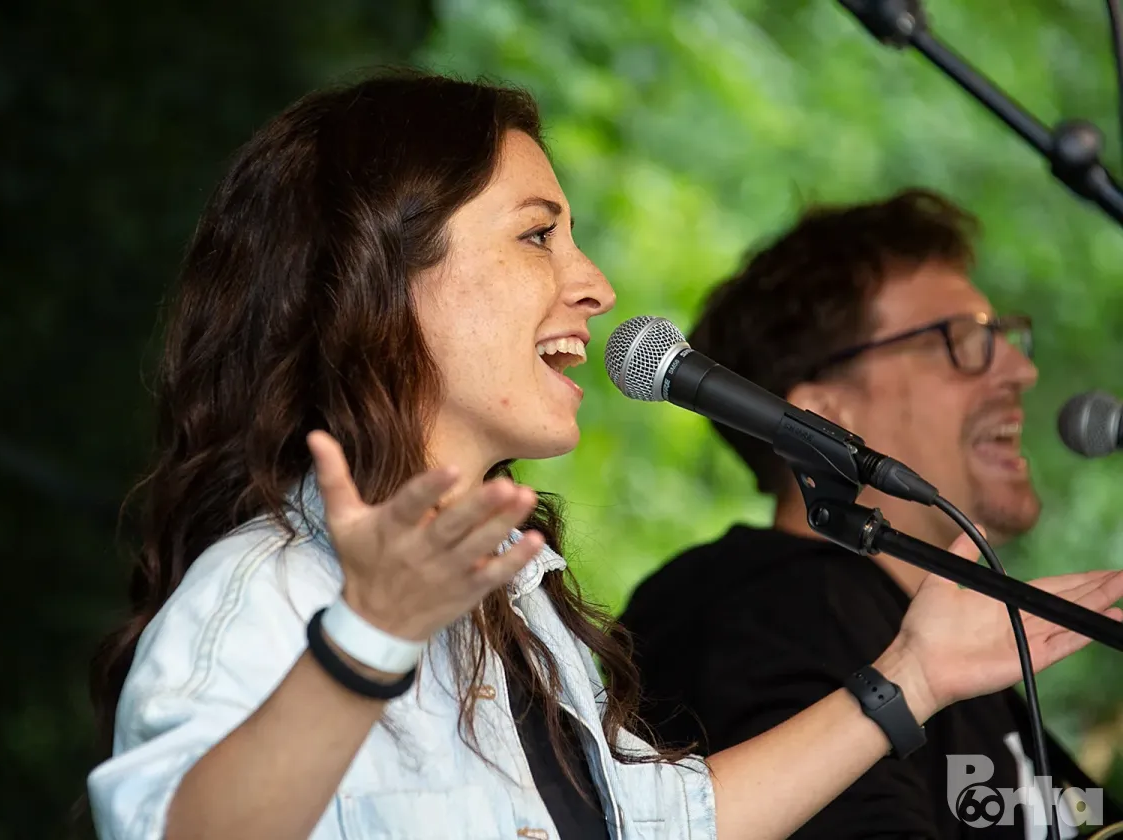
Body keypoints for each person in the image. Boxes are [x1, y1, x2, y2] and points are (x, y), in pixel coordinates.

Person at [85, 75, 1123, 840]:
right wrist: (367, 642)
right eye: (539, 235)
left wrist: (912, 678)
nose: (595, 285)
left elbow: (668, 824)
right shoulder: (267, 592)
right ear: (381, 272)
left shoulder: (518, 615)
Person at [620, 189, 1123, 840]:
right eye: (962, 341)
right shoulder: (779, 607)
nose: (1020, 370)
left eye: (1002, 336)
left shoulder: (929, 639)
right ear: (824, 416)